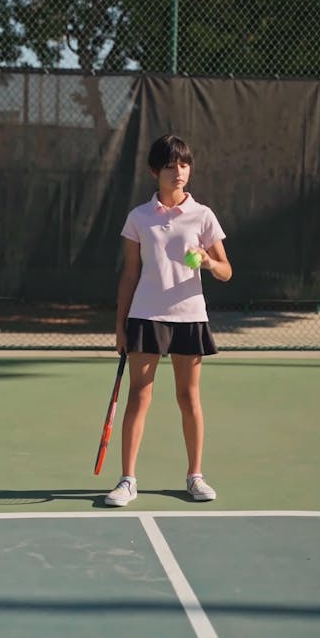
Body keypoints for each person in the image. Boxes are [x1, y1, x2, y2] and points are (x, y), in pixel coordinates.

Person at [105, 134, 232, 507]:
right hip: (145, 316)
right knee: (139, 397)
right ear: (153, 171)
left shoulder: (203, 215)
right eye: (170, 166)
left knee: (188, 397)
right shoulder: (139, 218)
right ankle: (128, 480)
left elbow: (226, 271)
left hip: (189, 317)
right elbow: (130, 274)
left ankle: (195, 476)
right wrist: (121, 325)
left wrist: (207, 262)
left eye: (184, 164)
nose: (179, 172)